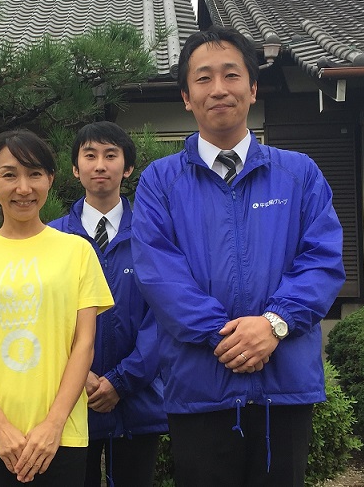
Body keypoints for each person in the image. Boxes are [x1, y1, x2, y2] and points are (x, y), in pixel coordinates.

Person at [131, 26, 345, 487]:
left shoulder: (299, 174)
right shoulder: (160, 181)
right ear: (187, 96)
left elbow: (323, 261)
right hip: (200, 384)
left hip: (283, 386)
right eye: (204, 78)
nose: (219, 88)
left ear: (252, 88)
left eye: (232, 75)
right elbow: (159, 274)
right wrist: (225, 337)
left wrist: (272, 325)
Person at [0, 130, 114, 486]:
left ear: (50, 178)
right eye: (9, 175)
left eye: (34, 174)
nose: (23, 188)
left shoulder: (77, 252)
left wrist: (53, 424)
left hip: (61, 435)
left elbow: (83, 344)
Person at [48, 122, 167, 487]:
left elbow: (163, 316)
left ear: (127, 168)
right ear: (75, 168)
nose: (100, 164)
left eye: (111, 155)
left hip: (137, 401)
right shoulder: (52, 238)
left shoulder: (153, 236)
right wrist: (78, 377)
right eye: (90, 155)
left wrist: (121, 381)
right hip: (69, 403)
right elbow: (45, 318)